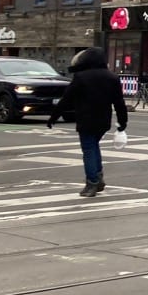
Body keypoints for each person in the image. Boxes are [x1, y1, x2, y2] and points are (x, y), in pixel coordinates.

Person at [47, 47, 128, 198]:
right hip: (103, 120)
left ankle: (92, 183)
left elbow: (66, 99)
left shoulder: (81, 77)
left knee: (89, 150)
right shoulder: (112, 77)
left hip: (86, 118)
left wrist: (54, 117)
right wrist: (122, 122)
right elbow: (119, 103)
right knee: (93, 146)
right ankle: (98, 177)